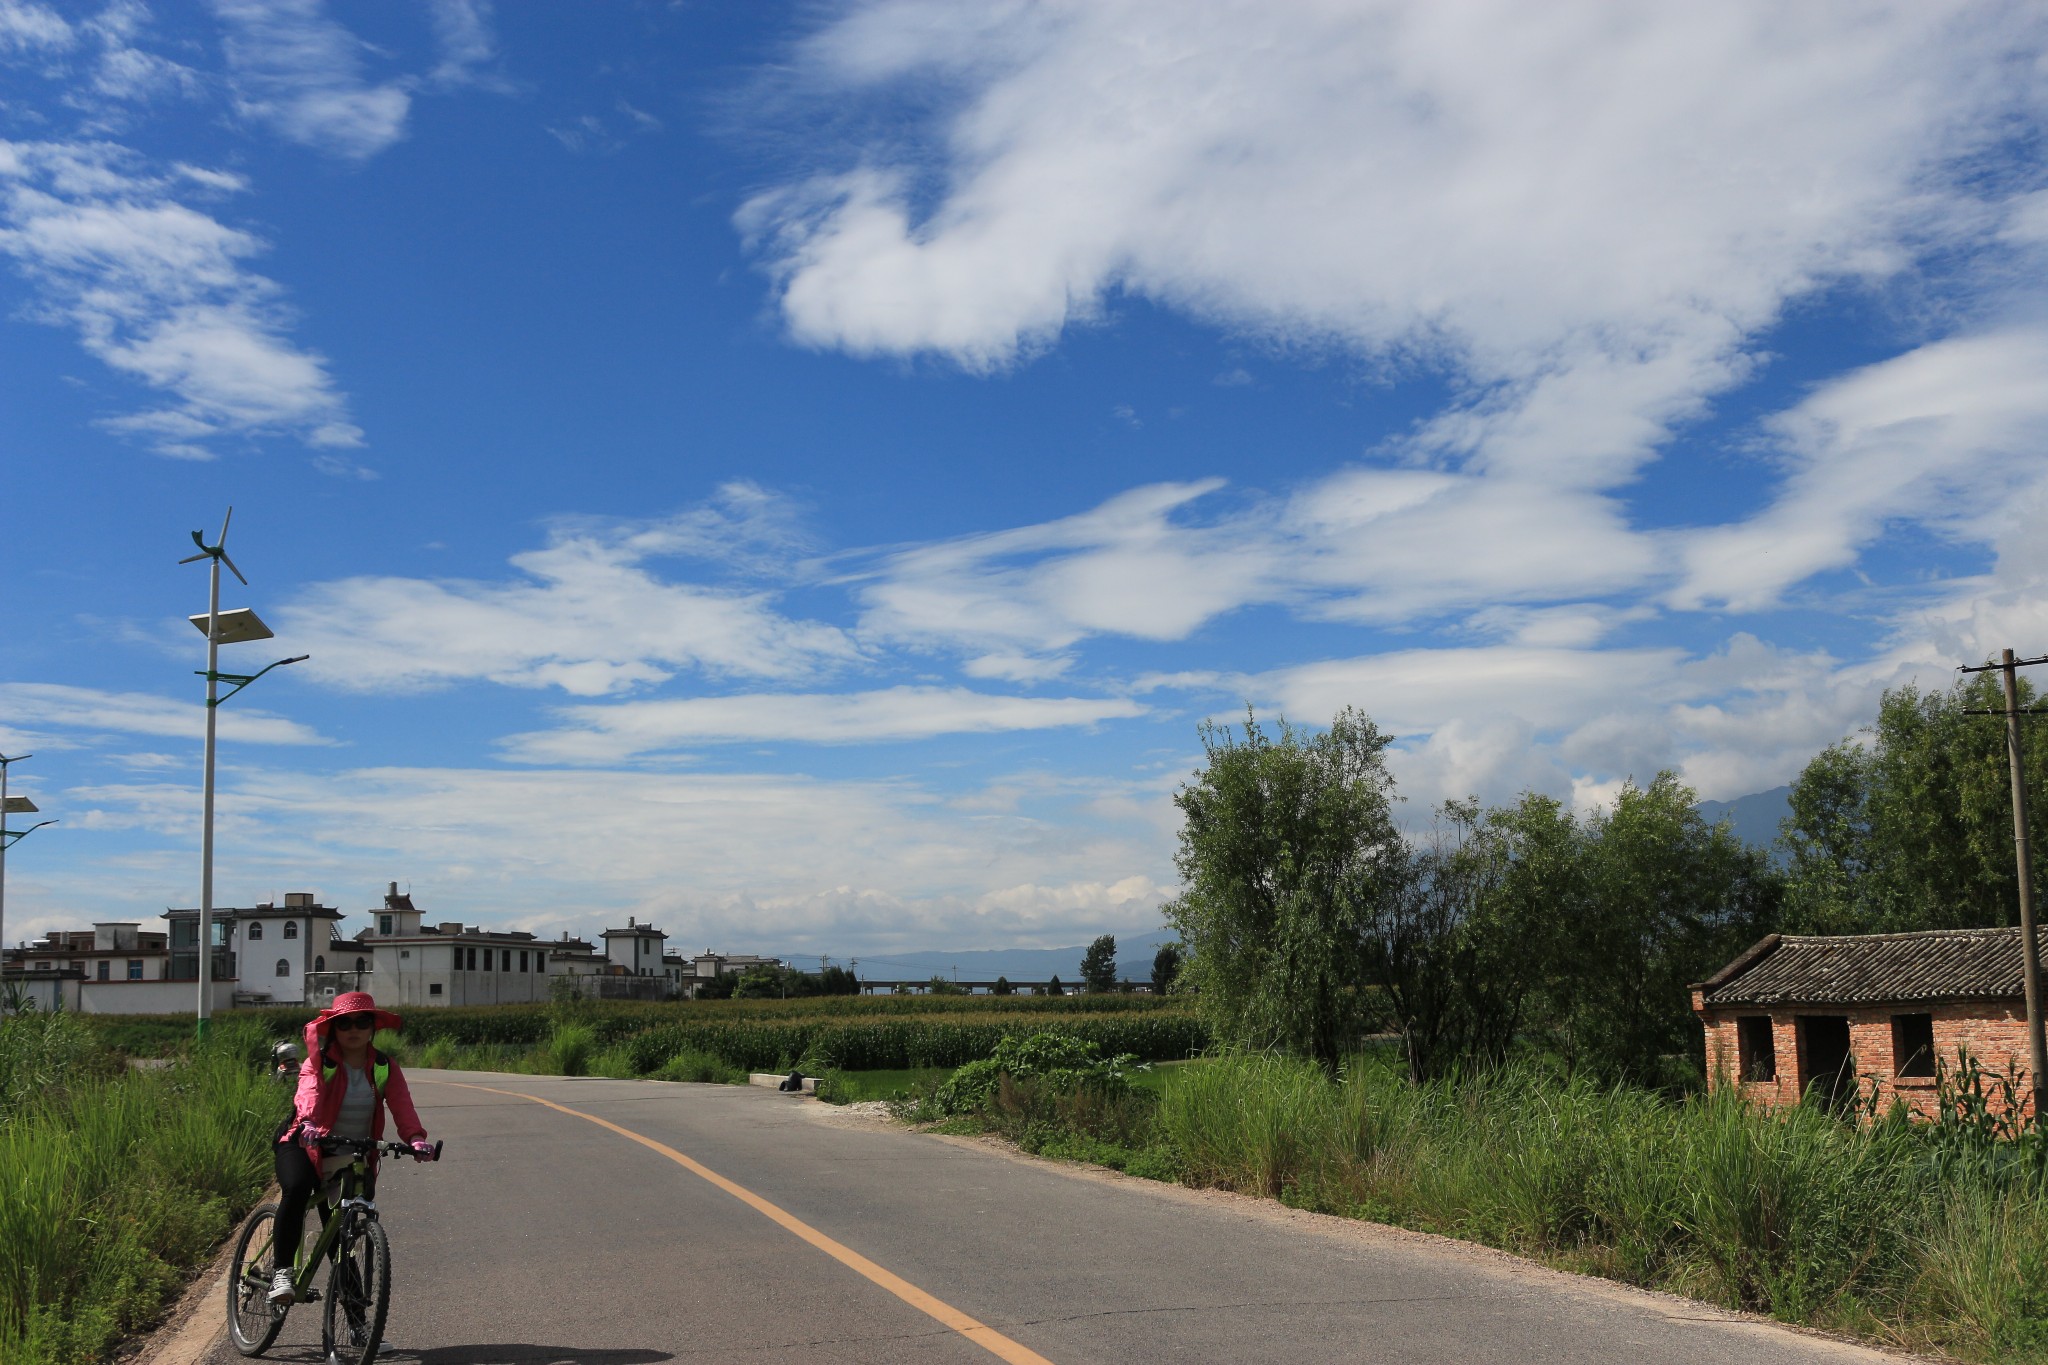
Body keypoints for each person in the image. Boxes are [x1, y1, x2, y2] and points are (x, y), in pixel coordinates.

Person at [270, 991, 434, 1304]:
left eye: (362, 1022)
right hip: (303, 1143)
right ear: (333, 1029)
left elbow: (402, 1105)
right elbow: (309, 1093)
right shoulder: (320, 1063)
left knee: (342, 1235)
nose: (353, 1029)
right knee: (298, 1188)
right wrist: (309, 1124)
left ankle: (358, 1330)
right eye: (345, 1023)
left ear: (373, 1027)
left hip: (350, 1153)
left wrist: (415, 1139)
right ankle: (281, 1272)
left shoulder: (384, 1066)